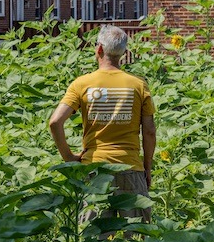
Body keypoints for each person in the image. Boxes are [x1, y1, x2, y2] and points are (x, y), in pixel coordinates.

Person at [49, 24, 156, 228]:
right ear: (124, 53)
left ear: (99, 49)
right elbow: (149, 131)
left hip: (94, 170)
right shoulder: (138, 85)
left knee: (93, 241)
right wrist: (147, 167)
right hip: (130, 167)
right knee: (136, 238)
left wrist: (69, 158)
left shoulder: (81, 84)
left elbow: (55, 122)